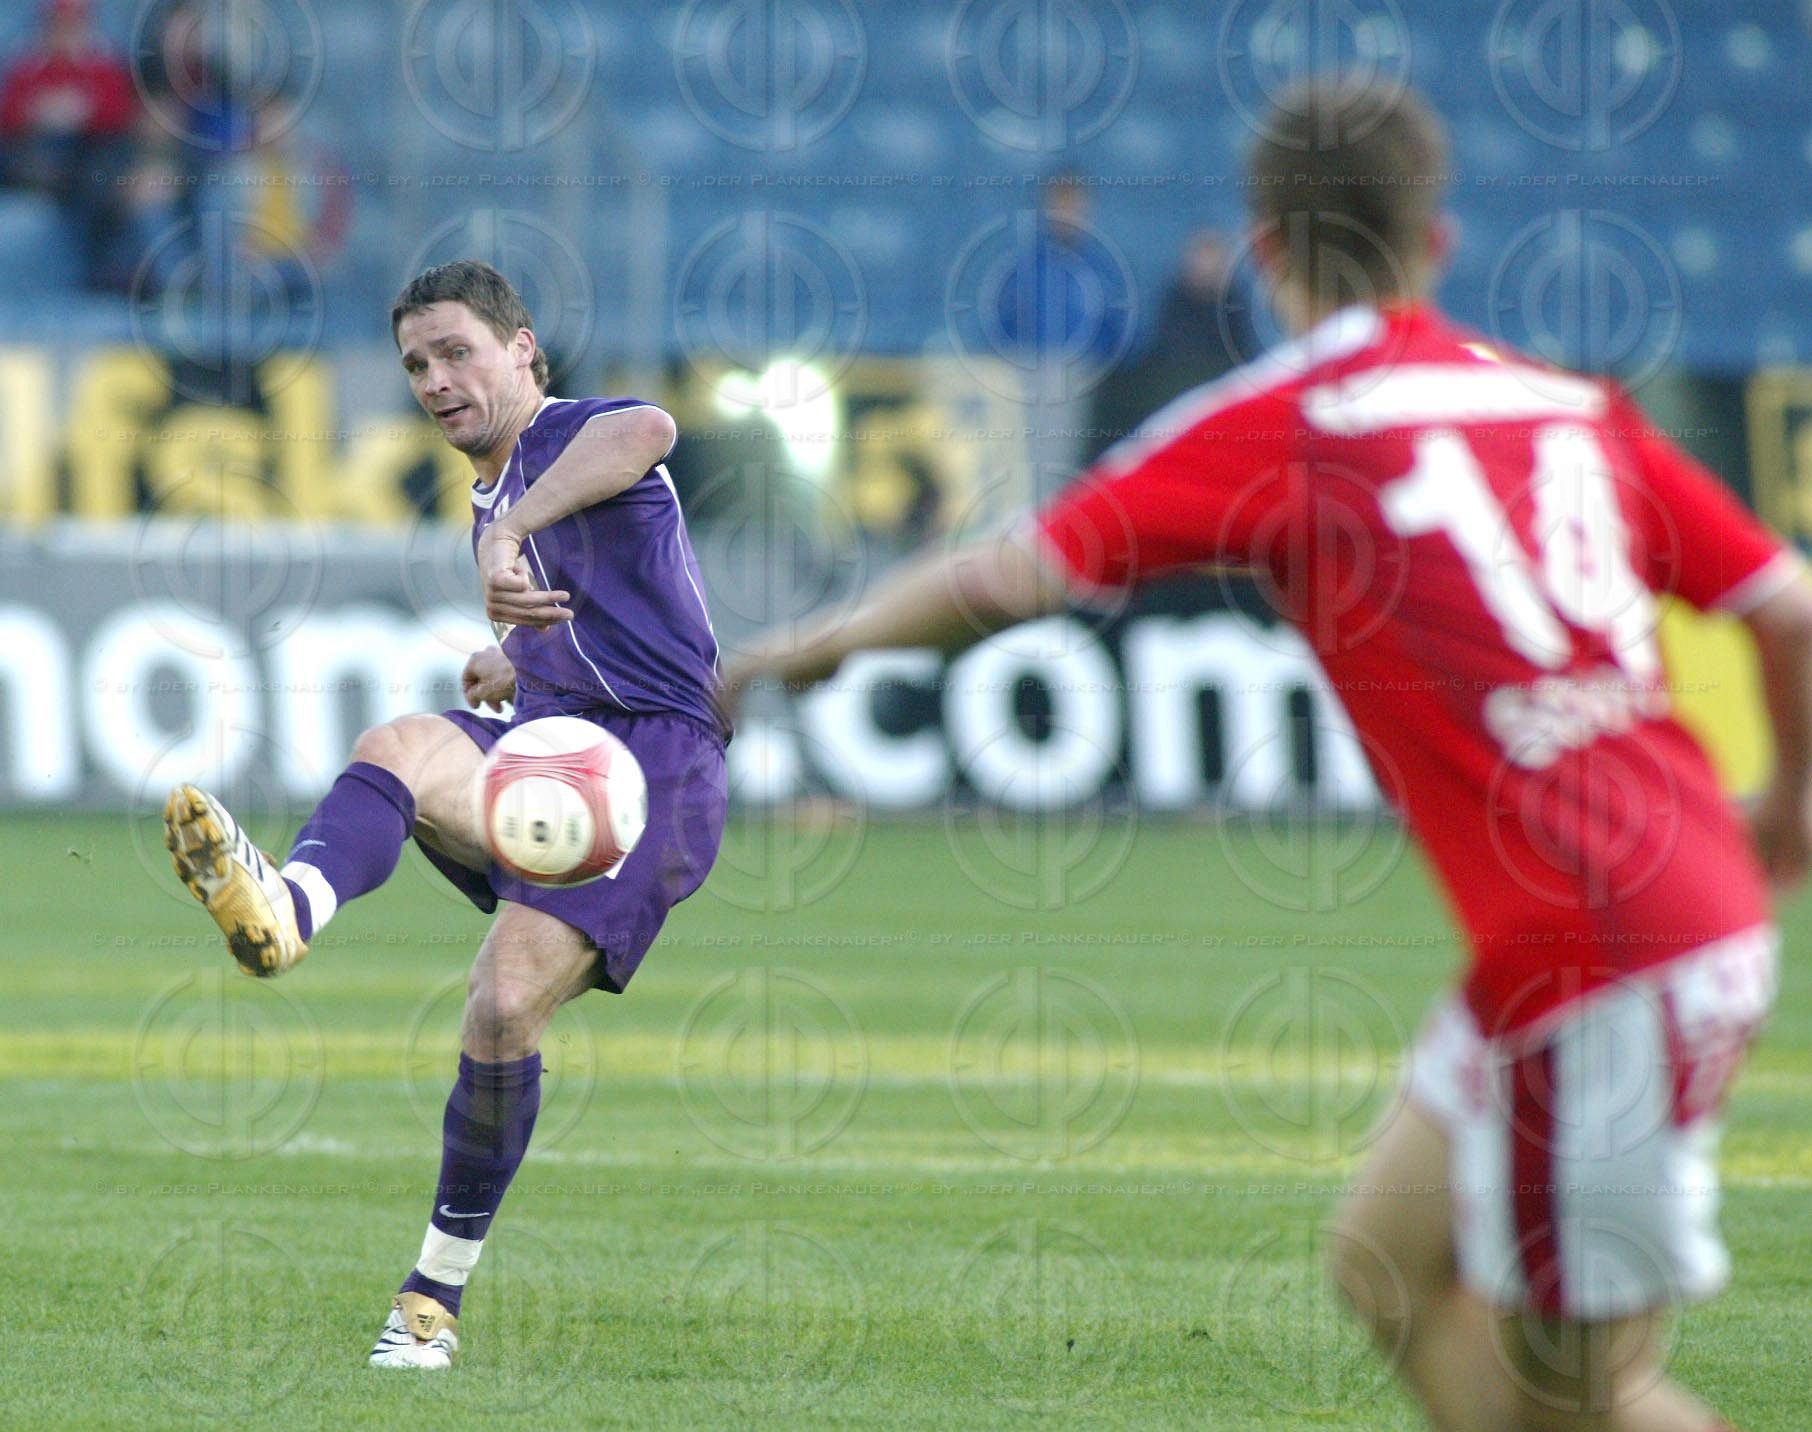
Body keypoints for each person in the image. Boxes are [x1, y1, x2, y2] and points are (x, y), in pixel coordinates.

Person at [721, 78, 1807, 1432]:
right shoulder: (1569, 407)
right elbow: (1788, 607)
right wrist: (1790, 813)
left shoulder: (1288, 421)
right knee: (1387, 1266)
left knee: (1585, 1405)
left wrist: (790, 655)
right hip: (1629, 918)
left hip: (1603, 955)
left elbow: (1011, 574)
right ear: (1439, 241)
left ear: (1266, 249)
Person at [162, 260, 729, 1369]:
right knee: (401, 746)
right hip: (550, 744)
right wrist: (512, 651)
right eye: (417, 363)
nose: (435, 378)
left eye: (458, 350)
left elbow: (652, 430)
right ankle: (290, 903)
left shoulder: (572, 432)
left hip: (650, 773)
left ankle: (433, 1296)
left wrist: (508, 531)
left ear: (525, 352)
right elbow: (588, 604)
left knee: (504, 1003)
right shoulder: (495, 493)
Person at [0, 0, 138, 290]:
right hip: (36, 158)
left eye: (72, 26)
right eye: (58, 27)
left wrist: (84, 113)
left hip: (84, 161)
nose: (64, 35)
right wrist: (35, 113)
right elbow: (7, 116)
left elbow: (121, 115)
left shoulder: (101, 66)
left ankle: (103, 268)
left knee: (100, 169)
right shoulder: (29, 67)